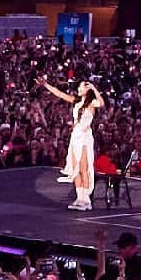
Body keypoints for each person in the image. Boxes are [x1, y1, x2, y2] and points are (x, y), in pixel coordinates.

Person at [41, 77, 104, 211]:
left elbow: (101, 103)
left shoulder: (91, 103)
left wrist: (93, 88)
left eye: (82, 87)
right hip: (75, 136)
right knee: (75, 169)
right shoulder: (76, 101)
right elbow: (60, 94)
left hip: (85, 137)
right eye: (79, 87)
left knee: (83, 168)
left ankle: (86, 200)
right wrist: (46, 84)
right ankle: (79, 198)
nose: (79, 89)